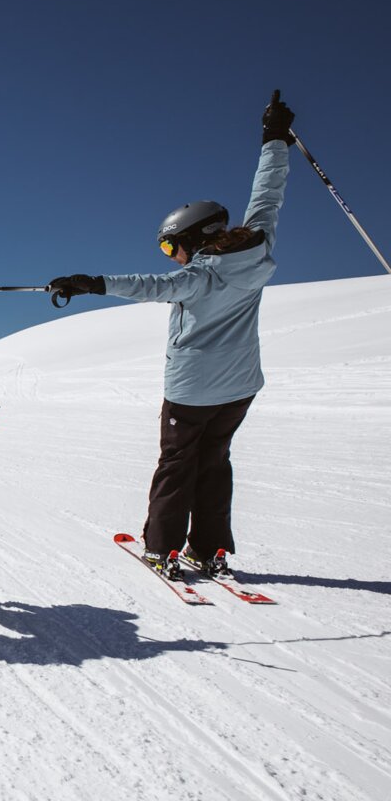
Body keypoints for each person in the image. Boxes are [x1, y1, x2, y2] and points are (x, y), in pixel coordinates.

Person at [47, 93, 294, 580]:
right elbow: (268, 194)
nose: (171, 256)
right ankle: (209, 549)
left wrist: (92, 283)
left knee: (177, 466)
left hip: (192, 391)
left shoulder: (199, 276)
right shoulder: (259, 247)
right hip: (240, 388)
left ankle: (161, 549)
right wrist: (274, 140)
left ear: (195, 237)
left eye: (170, 246)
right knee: (215, 462)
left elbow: (151, 287)